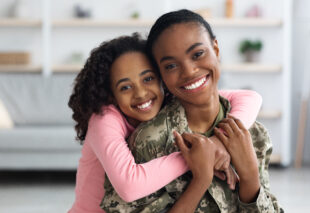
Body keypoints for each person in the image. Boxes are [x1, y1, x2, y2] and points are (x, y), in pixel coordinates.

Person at [100, 9, 283, 212]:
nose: (189, 71)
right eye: (170, 66)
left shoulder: (254, 134)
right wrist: (201, 180)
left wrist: (250, 178)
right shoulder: (148, 143)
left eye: (197, 54)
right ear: (161, 75)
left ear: (216, 49)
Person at [68, 33, 262, 213]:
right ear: (111, 94)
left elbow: (250, 97)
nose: (141, 93)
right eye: (125, 87)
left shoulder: (167, 99)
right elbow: (130, 185)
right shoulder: (104, 119)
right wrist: (196, 158)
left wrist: (217, 143)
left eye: (148, 78)